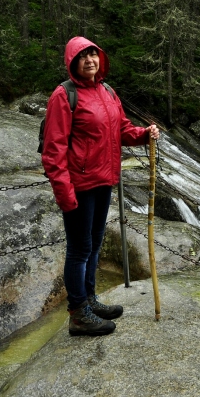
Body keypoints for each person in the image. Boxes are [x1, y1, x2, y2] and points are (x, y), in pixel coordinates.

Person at [42, 36, 160, 336]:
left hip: (103, 181)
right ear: (73, 62)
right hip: (79, 185)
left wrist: (144, 134)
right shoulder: (63, 96)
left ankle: (90, 299)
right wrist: (65, 194)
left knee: (94, 245)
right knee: (79, 249)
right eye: (83, 56)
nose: (90, 60)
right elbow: (53, 151)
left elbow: (121, 129)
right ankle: (78, 313)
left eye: (93, 54)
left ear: (100, 59)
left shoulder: (107, 91)